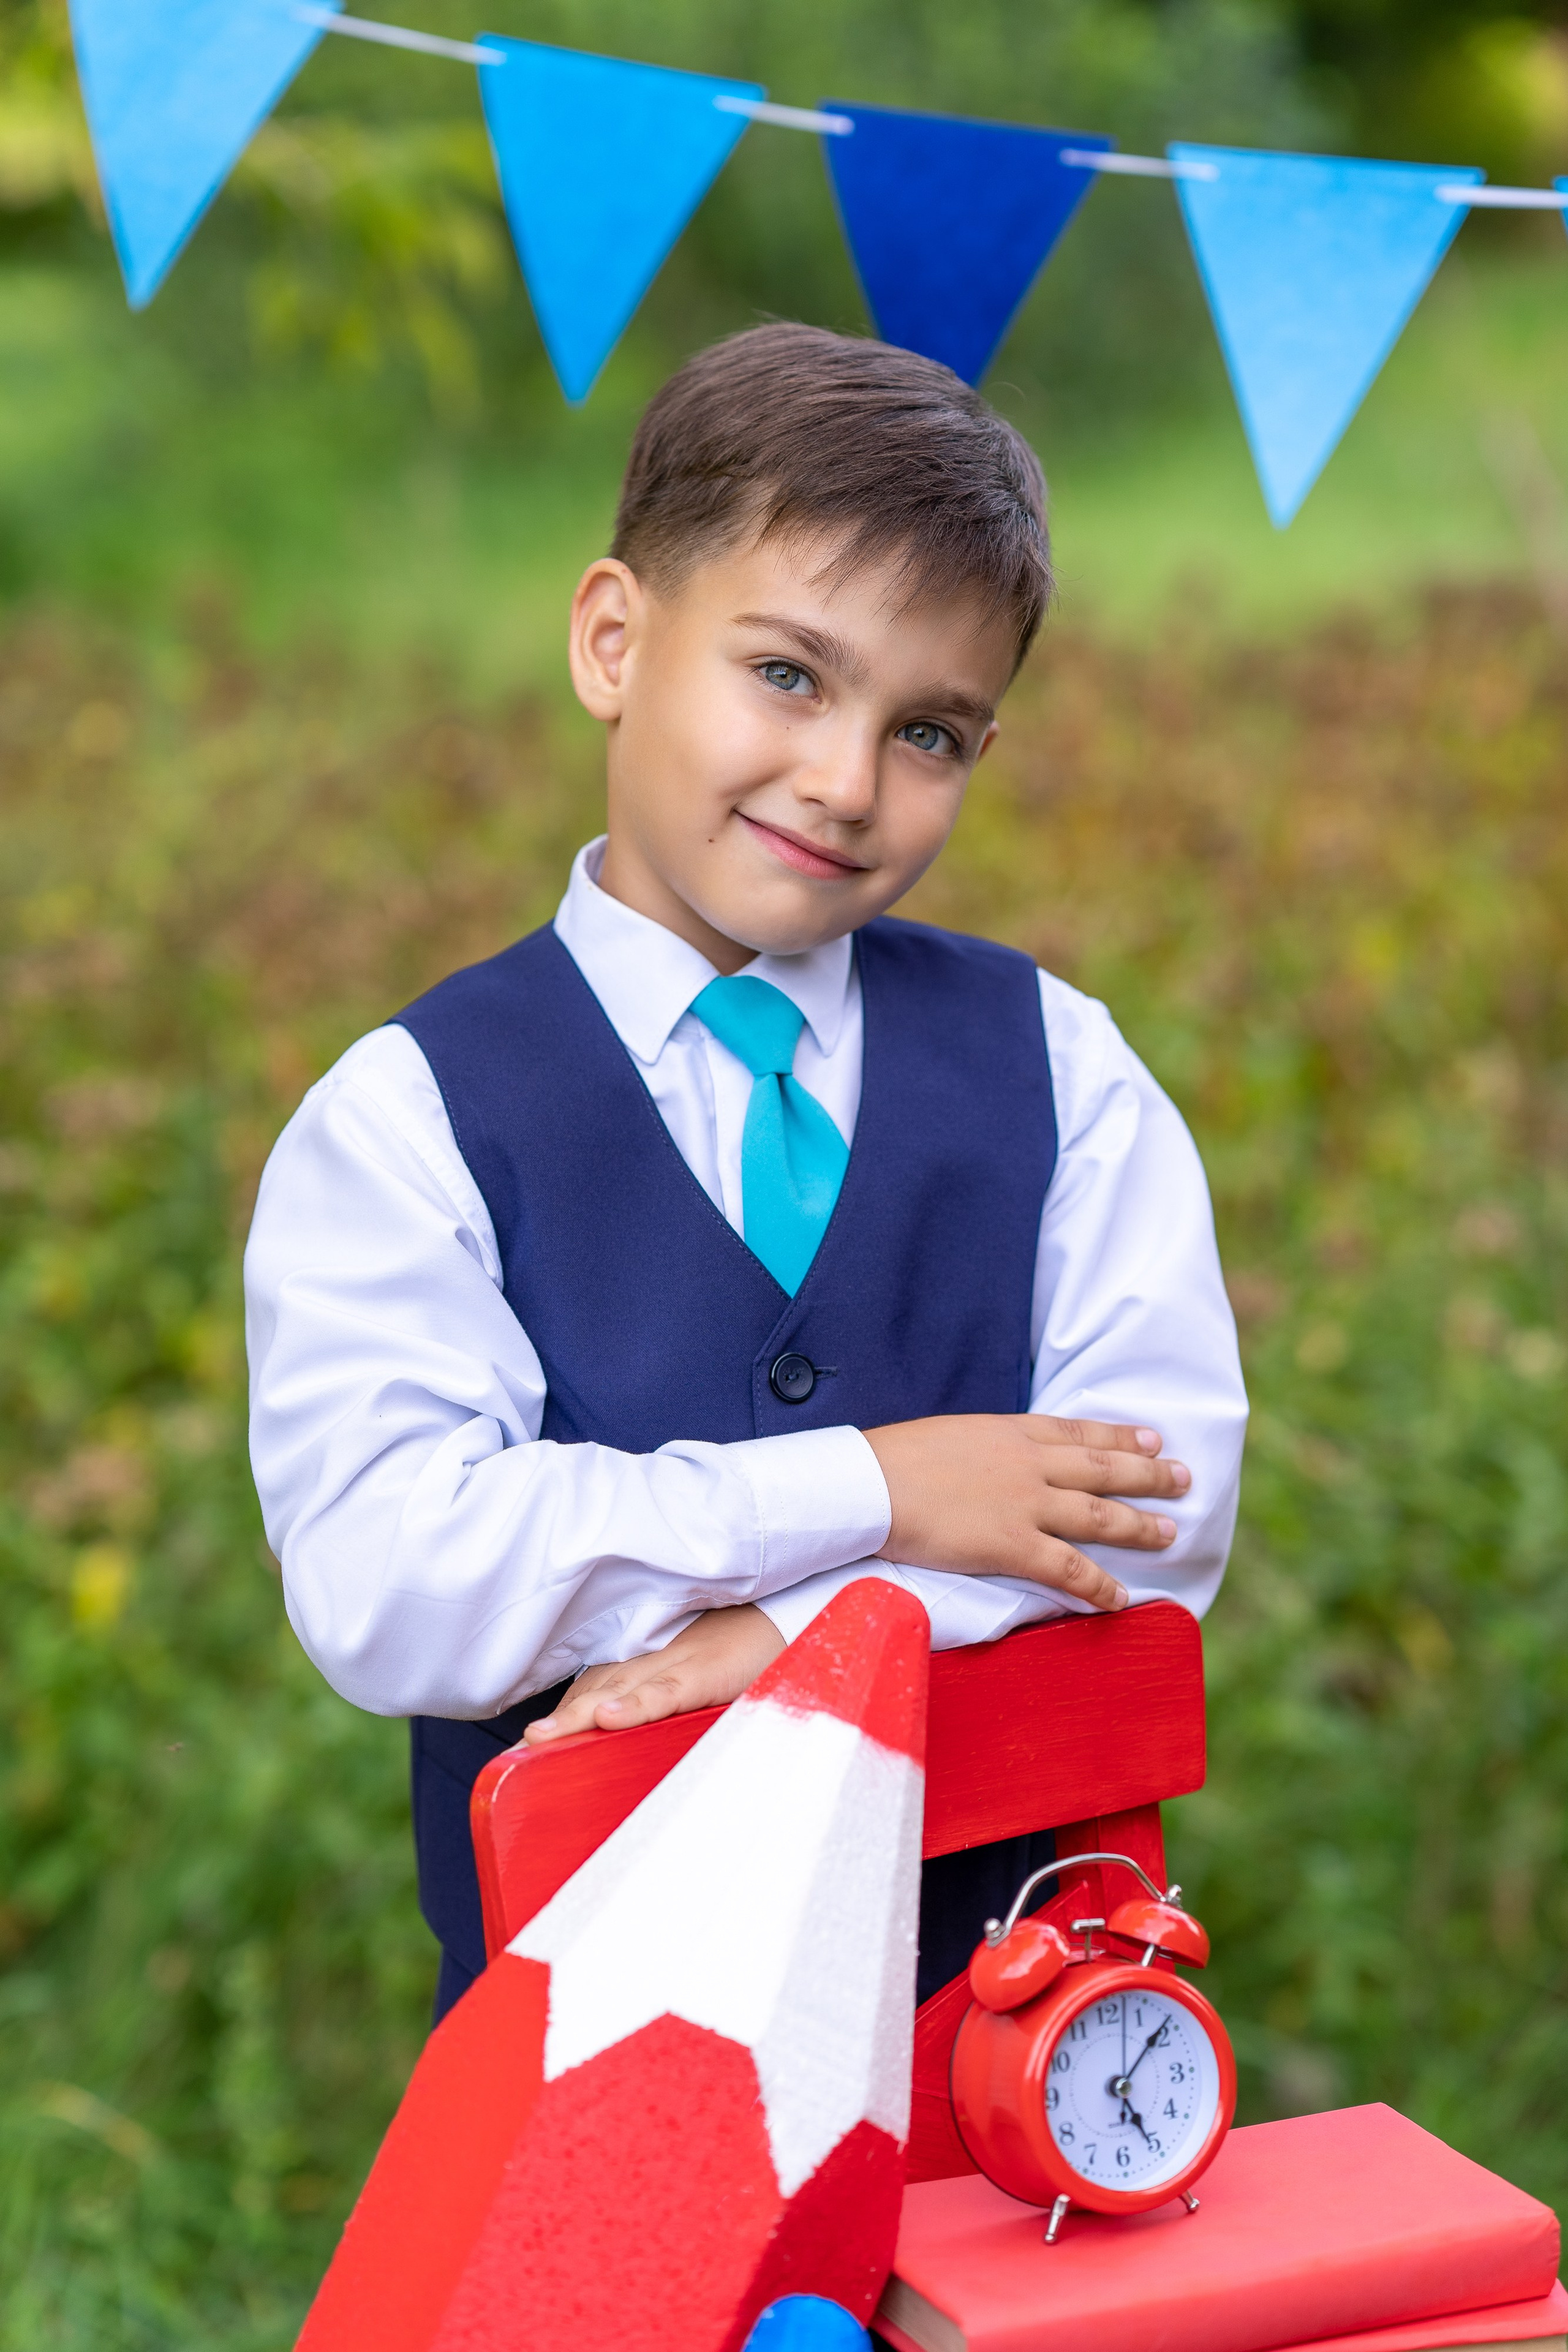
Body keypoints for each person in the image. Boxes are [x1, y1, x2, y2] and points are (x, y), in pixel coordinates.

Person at [244, 324, 1247, 2022]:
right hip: (585, 2050)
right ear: (615, 640)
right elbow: (397, 1572)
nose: (846, 783)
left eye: (931, 731)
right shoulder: (409, 1118)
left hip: (1016, 2036)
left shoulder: (1063, 1069)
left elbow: (1150, 1519)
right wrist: (881, 1487)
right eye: (788, 675)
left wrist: (797, 1645)